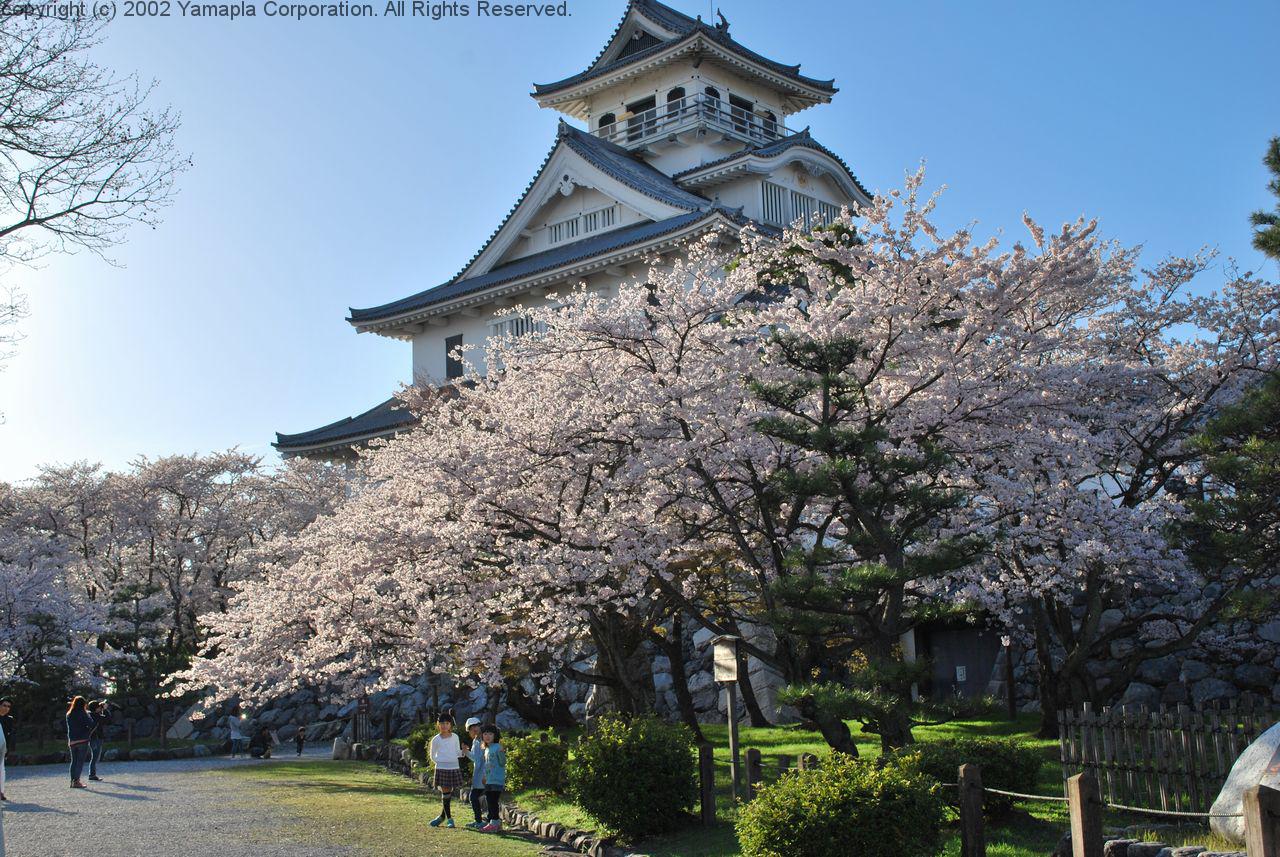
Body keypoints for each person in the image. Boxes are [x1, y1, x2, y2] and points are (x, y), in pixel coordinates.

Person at [427, 710, 466, 829]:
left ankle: (441, 817)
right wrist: (441, 762)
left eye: (447, 723)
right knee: (446, 793)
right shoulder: (436, 739)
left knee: (448, 794)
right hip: (442, 767)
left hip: (454, 767)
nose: (444, 726)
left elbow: (457, 752)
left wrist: (463, 752)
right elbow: (432, 756)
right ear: (438, 725)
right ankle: (449, 819)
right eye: (442, 723)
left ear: (450, 725)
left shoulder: (455, 737)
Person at [479, 724, 506, 833]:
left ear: (495, 735)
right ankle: (496, 823)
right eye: (485, 734)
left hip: (497, 779)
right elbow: (486, 765)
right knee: (490, 800)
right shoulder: (486, 749)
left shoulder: (498, 747)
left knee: (493, 801)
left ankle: (494, 823)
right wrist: (484, 776)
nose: (488, 736)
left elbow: (503, 762)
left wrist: (501, 753)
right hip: (489, 780)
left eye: (490, 733)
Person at [66, 696, 97, 789]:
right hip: (82, 739)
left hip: (72, 740)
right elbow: (91, 724)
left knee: (73, 761)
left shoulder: (69, 714)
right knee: (80, 761)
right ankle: (77, 781)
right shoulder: (83, 713)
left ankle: (72, 780)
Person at [462, 716, 486, 830]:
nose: (474, 729)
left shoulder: (481, 740)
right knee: (475, 797)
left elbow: (476, 758)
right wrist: (467, 751)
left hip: (483, 774)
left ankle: (480, 821)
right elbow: (477, 757)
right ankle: (480, 821)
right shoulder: (476, 740)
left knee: (473, 797)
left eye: (476, 726)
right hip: (480, 774)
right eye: (471, 728)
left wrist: (466, 752)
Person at [87, 700, 108, 781]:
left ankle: (92, 774)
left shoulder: (90, 715)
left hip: (94, 738)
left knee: (95, 757)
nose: (100, 708)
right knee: (95, 757)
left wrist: (102, 709)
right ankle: (92, 774)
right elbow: (107, 719)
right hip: (96, 738)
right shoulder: (95, 716)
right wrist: (105, 709)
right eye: (99, 707)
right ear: (96, 708)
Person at [0, 697, 13, 801]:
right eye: (4, 705)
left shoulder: (9, 719)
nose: (6, 708)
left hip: (2, 747)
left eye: (8, 706)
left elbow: (10, 735)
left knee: (1, 770)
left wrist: (8, 749)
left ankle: (1, 791)